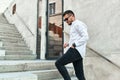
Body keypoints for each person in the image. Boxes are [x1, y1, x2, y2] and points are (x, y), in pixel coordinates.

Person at [55, 10, 89, 80]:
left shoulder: (78, 24)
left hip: (76, 50)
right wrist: (68, 44)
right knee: (79, 75)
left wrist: (75, 44)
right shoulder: (74, 25)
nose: (66, 21)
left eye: (67, 19)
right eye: (64, 20)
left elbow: (85, 37)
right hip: (79, 52)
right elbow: (76, 38)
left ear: (72, 16)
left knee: (58, 63)